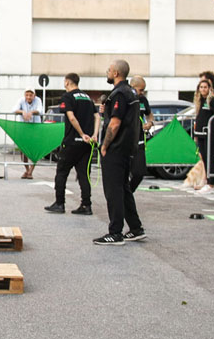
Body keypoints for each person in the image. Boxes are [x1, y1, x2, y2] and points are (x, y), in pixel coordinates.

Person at [95, 60, 145, 245]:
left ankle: (115, 232)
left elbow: (115, 124)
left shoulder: (119, 93)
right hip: (127, 148)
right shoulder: (131, 92)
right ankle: (135, 228)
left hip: (116, 148)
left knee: (113, 190)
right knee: (124, 189)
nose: (107, 72)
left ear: (116, 73)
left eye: (109, 70)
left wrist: (105, 145)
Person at [45, 73, 100, 215]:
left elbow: (71, 117)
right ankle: (86, 205)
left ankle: (59, 203)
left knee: (62, 172)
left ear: (68, 82)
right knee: (84, 175)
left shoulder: (67, 97)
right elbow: (97, 116)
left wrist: (81, 134)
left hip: (71, 142)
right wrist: (94, 135)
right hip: (87, 144)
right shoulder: (87, 98)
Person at [193, 78, 214, 192]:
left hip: (209, 132)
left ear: (209, 88)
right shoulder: (199, 100)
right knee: (203, 157)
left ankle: (211, 183)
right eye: (201, 87)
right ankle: (204, 180)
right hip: (200, 132)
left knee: (209, 157)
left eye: (205, 87)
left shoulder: (212, 101)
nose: (203, 89)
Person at [129, 75, 154, 191]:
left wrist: (150, 122)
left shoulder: (143, 100)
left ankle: (129, 191)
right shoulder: (126, 97)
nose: (142, 92)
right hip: (127, 140)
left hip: (139, 141)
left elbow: (149, 114)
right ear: (133, 87)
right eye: (140, 90)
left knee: (139, 172)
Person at [13, 88, 42, 179]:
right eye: (27, 95)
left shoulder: (38, 100)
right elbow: (14, 110)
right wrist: (23, 112)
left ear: (34, 95)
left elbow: (40, 110)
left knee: (34, 151)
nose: (28, 97)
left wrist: (31, 112)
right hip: (24, 128)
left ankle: (30, 171)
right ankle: (27, 169)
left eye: (31, 95)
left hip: (35, 128)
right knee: (23, 151)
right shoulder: (21, 100)